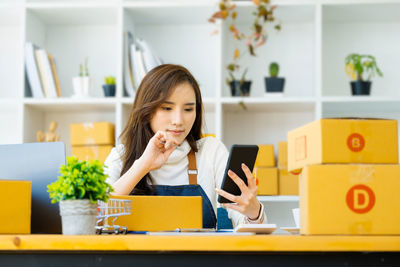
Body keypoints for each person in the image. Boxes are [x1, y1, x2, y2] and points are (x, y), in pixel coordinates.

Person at [104, 64, 266, 229]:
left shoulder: (211, 152)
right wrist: (143, 165)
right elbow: (96, 216)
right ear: (146, 110)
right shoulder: (121, 156)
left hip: (199, 255)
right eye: (167, 108)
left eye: (188, 109)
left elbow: (249, 228)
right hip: (137, 255)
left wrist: (253, 213)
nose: (179, 120)